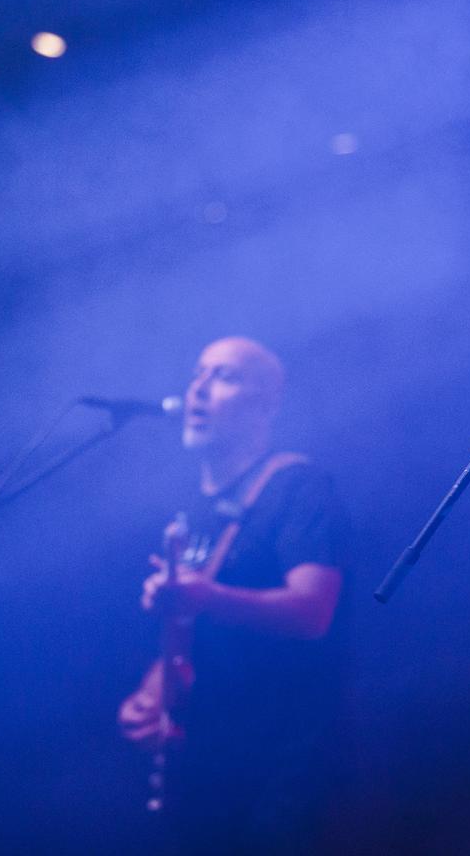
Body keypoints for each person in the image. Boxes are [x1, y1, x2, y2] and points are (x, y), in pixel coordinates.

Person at [119, 336, 347, 854]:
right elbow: (192, 628)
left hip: (283, 767)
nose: (198, 389)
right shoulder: (192, 510)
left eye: (223, 377)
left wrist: (207, 596)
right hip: (208, 768)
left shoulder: (297, 488)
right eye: (197, 374)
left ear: (267, 404)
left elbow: (313, 611)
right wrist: (153, 695)